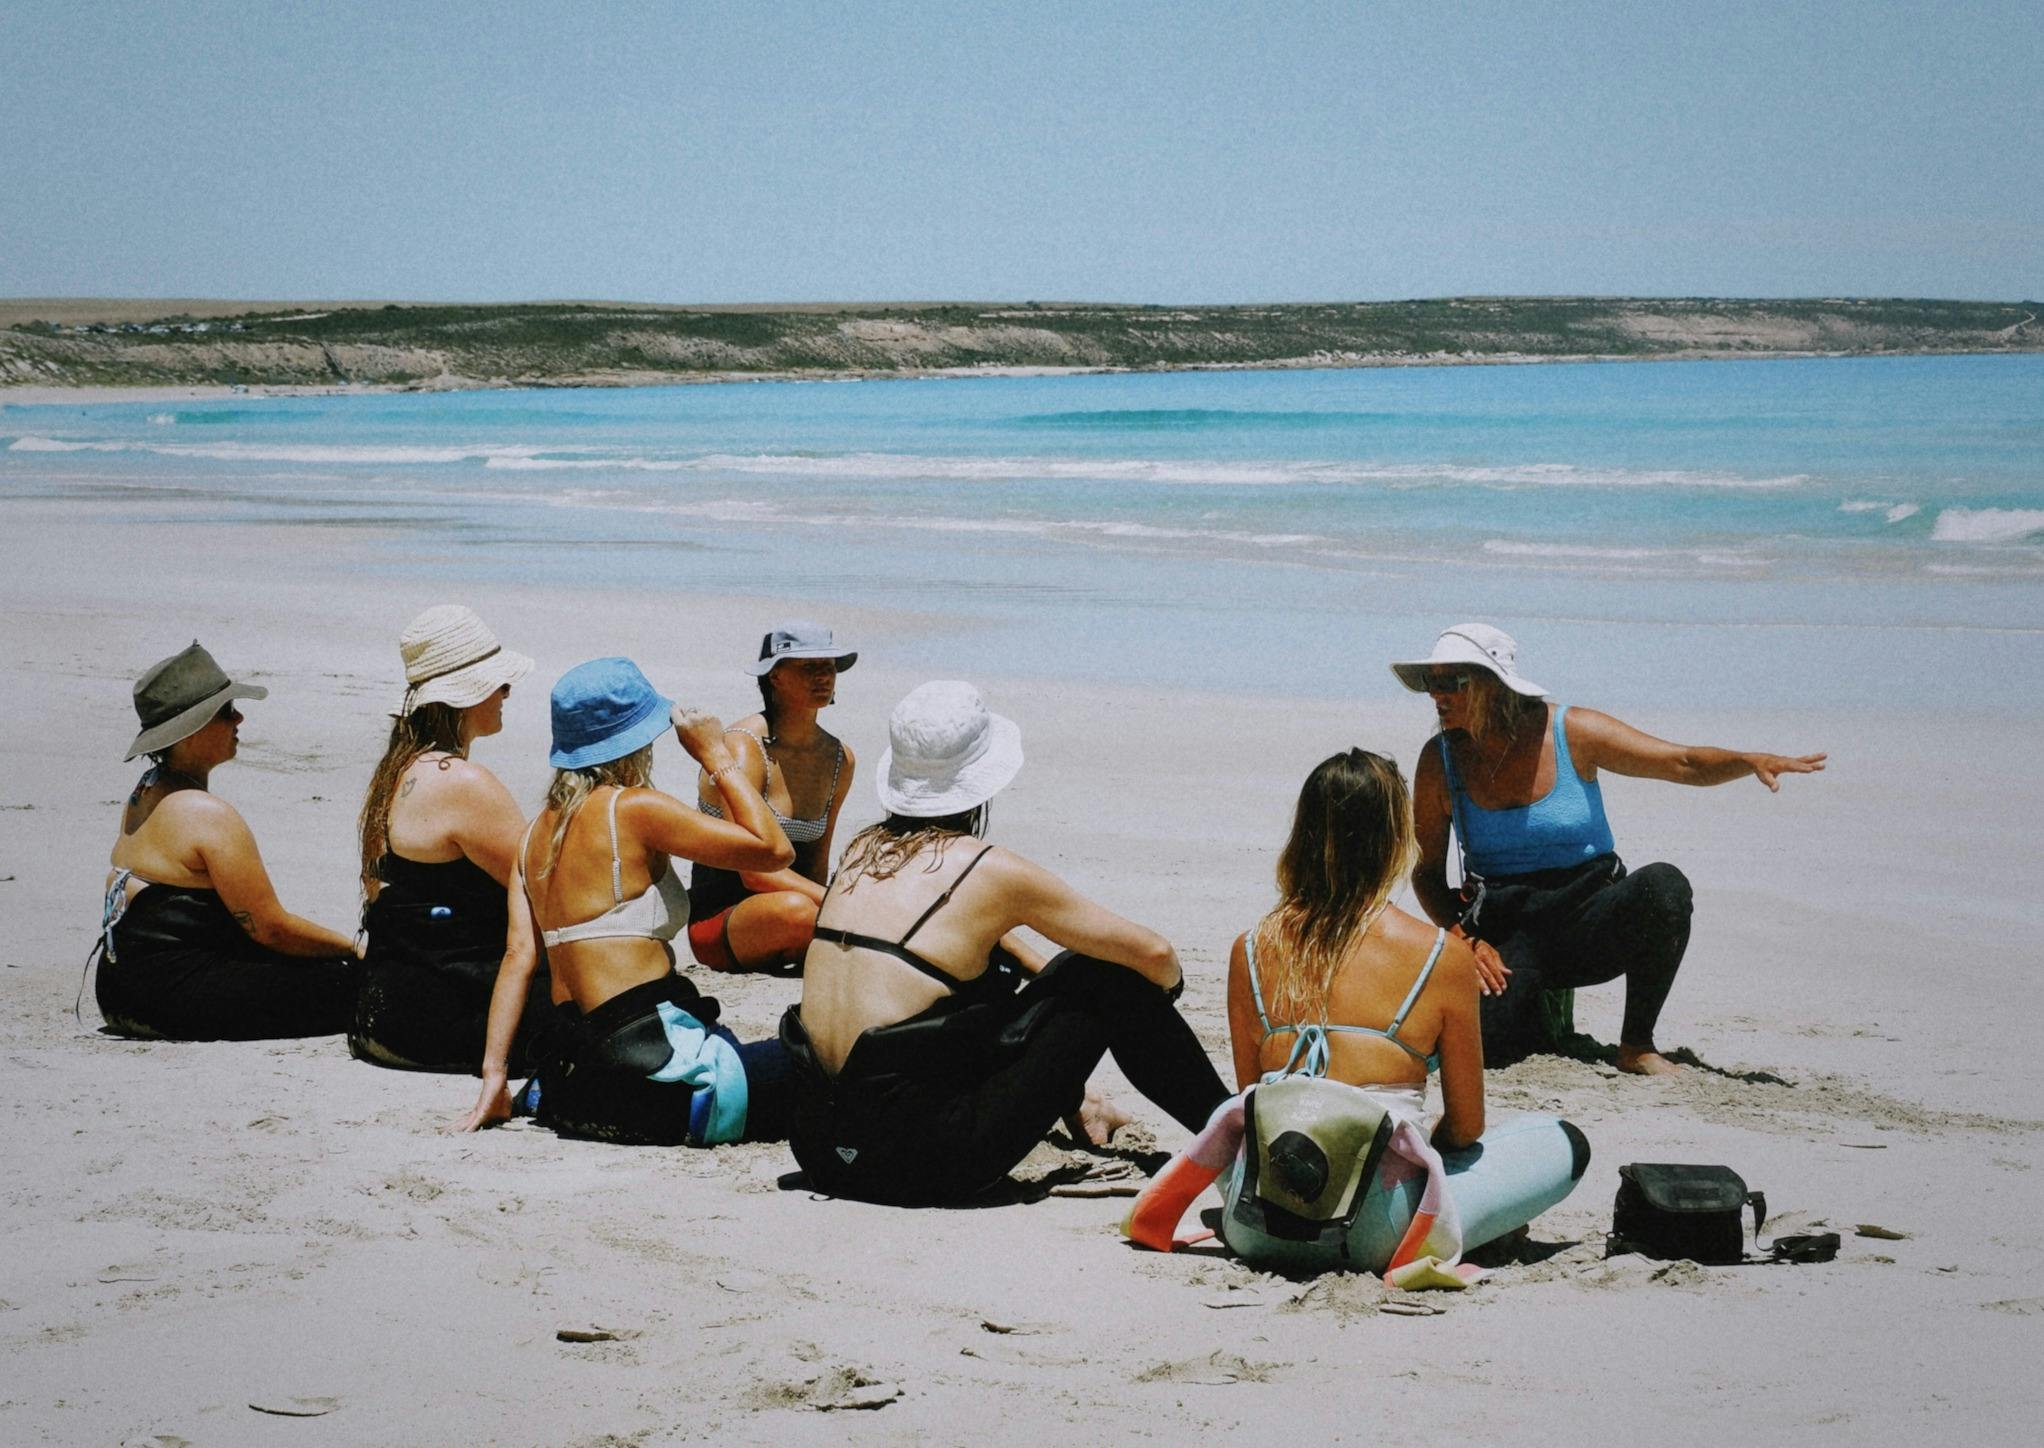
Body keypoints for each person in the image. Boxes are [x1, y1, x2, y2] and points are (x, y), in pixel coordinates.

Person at [1124, 749, 1588, 1275]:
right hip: (1375, 1236)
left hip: (1258, 1221)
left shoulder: (1250, 949)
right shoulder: (1442, 956)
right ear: (1396, 839)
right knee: (1561, 1143)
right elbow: (1466, 1126)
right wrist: (1414, 1144)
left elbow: (1257, 1102)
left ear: (1302, 834)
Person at [778, 680, 1230, 1206]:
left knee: (980, 981)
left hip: (821, 1146)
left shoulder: (862, 851)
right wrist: (1163, 992)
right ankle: (1235, 1138)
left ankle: (1091, 1107)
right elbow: (1154, 953)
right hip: (919, 1161)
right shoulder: (988, 870)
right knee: (1111, 976)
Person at [1394, 623, 1826, 1073]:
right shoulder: (1440, 760)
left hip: (1588, 917)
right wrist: (1465, 942)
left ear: (1493, 683)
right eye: (1430, 681)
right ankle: (1535, 1015)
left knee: (1664, 886)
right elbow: (1426, 872)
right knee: (1492, 1051)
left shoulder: (1572, 731)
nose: (1436, 694)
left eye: (1451, 681)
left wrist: (1749, 761)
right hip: (1506, 932)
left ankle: (1637, 1045)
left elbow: (1680, 762)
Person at [456, 657, 797, 1146]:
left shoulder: (532, 837)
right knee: (814, 1058)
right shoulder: (634, 808)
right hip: (652, 1079)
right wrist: (716, 756)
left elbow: (518, 958)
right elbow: (773, 850)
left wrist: (495, 1076)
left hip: (571, 1086)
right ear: (636, 739)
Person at [96, 641, 360, 1040]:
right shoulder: (204, 813)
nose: (239, 717)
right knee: (351, 984)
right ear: (189, 730)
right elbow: (271, 929)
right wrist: (352, 948)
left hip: (118, 988)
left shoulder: (145, 792)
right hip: (167, 999)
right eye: (225, 711)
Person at [351, 605, 539, 1073]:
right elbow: (543, 890)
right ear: (465, 696)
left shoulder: (397, 772)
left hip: (385, 1014)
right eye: (498, 683)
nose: (507, 691)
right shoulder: (462, 783)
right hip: (448, 1020)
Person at [688, 620, 858, 974]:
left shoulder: (839, 757)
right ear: (775, 676)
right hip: (724, 921)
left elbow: (817, 861)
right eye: (808, 667)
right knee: (805, 912)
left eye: (829, 667)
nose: (823, 676)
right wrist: (838, 907)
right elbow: (753, 873)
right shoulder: (743, 746)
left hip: (797, 910)